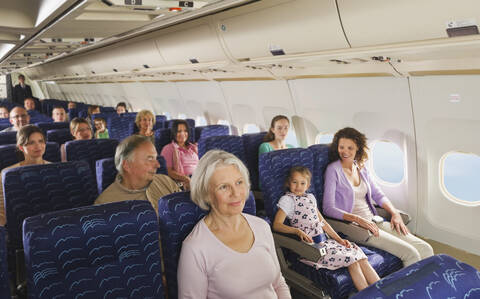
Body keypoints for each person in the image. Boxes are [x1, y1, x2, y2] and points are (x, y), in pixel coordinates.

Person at [177, 150, 291, 299]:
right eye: (224, 187)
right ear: (206, 194)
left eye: (239, 182)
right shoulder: (195, 248)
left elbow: (278, 283)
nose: (236, 193)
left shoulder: (261, 226)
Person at [323, 127, 434, 267]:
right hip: (356, 227)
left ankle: (427, 283)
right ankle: (410, 289)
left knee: (426, 248)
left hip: (375, 221)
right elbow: (328, 208)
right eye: (341, 147)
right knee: (411, 254)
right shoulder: (333, 170)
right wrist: (358, 219)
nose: (345, 152)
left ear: (358, 148)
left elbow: (378, 194)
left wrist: (395, 213)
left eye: (350, 148)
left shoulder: (361, 168)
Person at [273, 166, 380, 291]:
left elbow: (323, 223)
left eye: (303, 183)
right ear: (288, 183)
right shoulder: (287, 200)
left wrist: (339, 240)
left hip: (326, 243)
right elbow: (277, 225)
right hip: (311, 248)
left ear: (308, 186)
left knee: (360, 256)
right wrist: (296, 231)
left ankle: (381, 291)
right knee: (353, 261)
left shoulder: (310, 198)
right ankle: (367, 295)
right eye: (294, 182)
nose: (298, 186)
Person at [95, 135, 180, 211]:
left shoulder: (165, 181)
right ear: (127, 165)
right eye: (150, 159)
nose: (158, 165)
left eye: (155, 158)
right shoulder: (105, 204)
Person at [0, 125, 50, 226]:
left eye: (41, 141)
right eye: (31, 143)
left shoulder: (56, 169)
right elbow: (2, 209)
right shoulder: (7, 173)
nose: (38, 146)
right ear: (21, 147)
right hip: (20, 225)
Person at [160, 120, 198, 190]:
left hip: (198, 178)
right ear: (174, 133)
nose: (183, 134)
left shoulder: (193, 147)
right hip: (183, 182)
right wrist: (186, 179)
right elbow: (169, 171)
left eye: (185, 131)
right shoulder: (168, 148)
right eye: (179, 131)